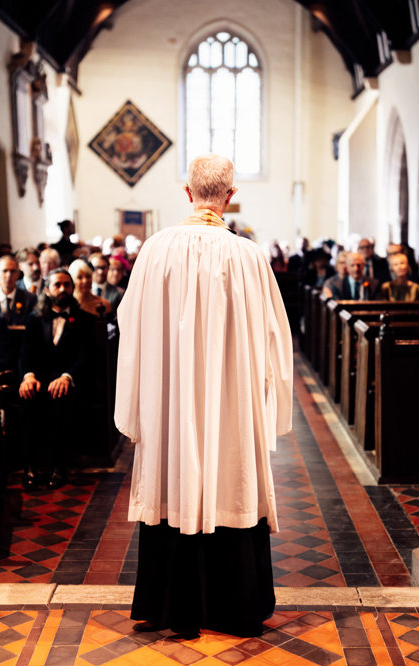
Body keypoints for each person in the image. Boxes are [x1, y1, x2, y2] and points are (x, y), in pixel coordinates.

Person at [116, 153, 293, 639]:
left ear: (186, 193)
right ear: (230, 197)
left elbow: (128, 327)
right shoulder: (250, 257)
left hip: (170, 407)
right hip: (230, 408)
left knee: (174, 483)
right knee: (229, 479)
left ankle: (170, 603)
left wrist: (137, 403)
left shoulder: (154, 250)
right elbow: (277, 336)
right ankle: (235, 607)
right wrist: (270, 403)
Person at [18, 268, 95, 490]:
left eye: (66, 285)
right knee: (26, 399)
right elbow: (26, 352)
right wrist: (28, 376)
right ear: (48, 289)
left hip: (68, 379)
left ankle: (58, 467)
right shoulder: (35, 317)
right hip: (39, 378)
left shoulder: (84, 320)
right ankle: (30, 467)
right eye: (57, 285)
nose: (62, 289)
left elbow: (85, 356)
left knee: (61, 400)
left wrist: (67, 376)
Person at [0, 255, 37, 326]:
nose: (9, 275)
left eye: (12, 271)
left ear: (18, 274)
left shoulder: (30, 299)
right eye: (5, 271)